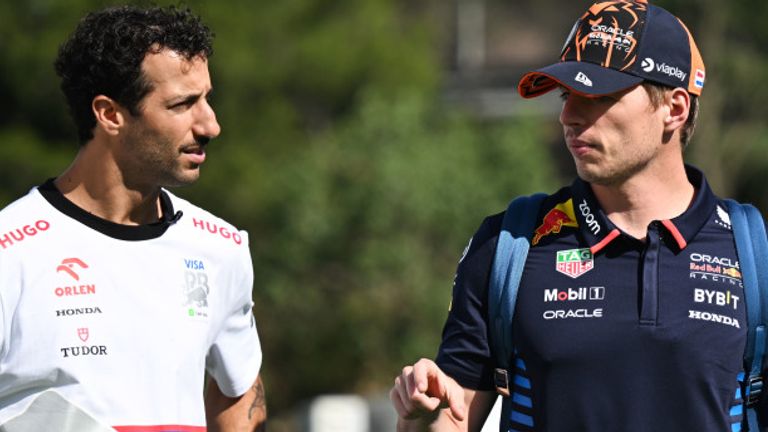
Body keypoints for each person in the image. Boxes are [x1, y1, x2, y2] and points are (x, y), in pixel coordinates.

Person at [391, 0, 763, 431]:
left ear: (674, 109)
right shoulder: (508, 245)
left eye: (599, 96)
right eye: (568, 95)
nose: (568, 116)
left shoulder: (754, 253)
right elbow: (450, 419)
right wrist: (421, 413)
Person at [0, 5, 266, 431]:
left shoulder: (221, 247)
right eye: (183, 104)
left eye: (207, 98)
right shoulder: (11, 251)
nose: (211, 125)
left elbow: (238, 392)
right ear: (109, 114)